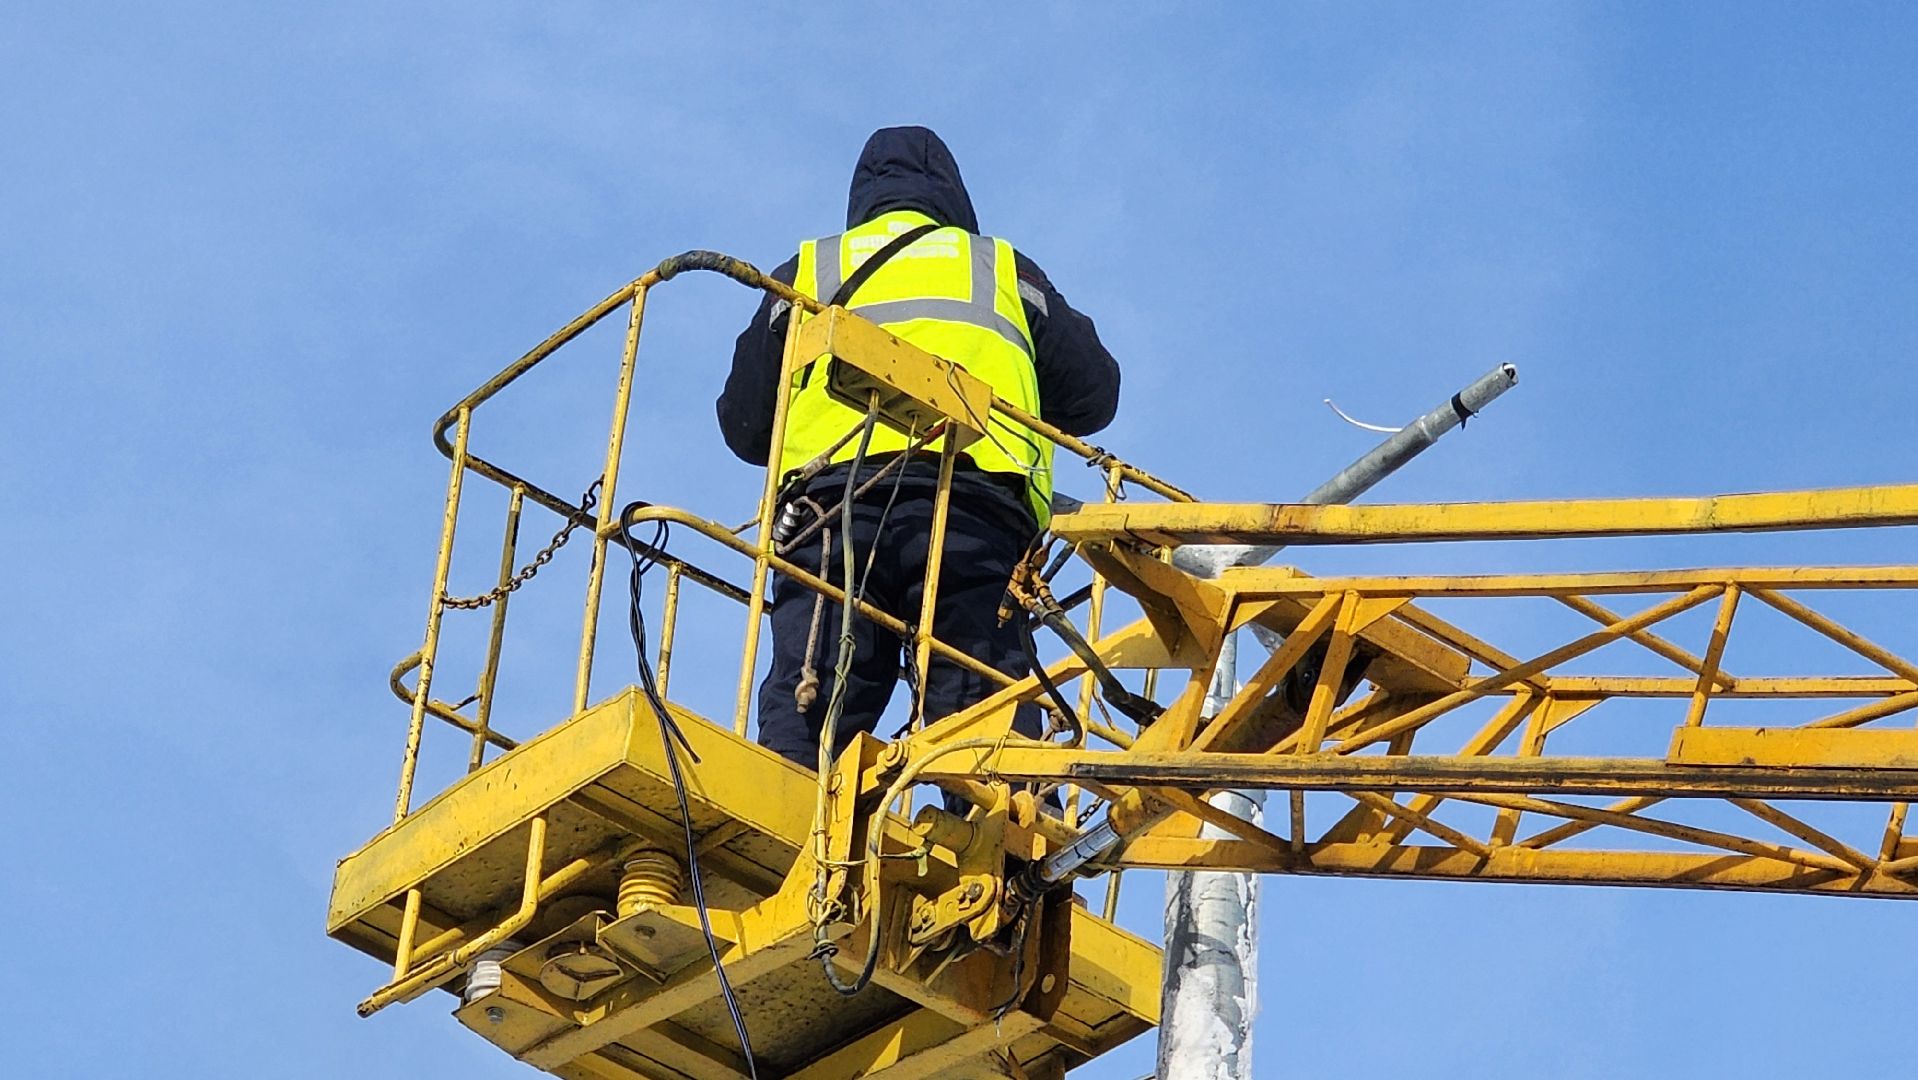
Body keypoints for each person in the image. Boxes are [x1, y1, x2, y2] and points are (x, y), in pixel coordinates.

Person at [717, 125, 1121, 770]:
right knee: (981, 700)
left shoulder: (811, 268)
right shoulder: (998, 267)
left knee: (815, 691)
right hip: (973, 510)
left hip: (831, 516)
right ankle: (1008, 850)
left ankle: (787, 838)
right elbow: (1094, 396)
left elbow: (743, 425)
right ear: (953, 197)